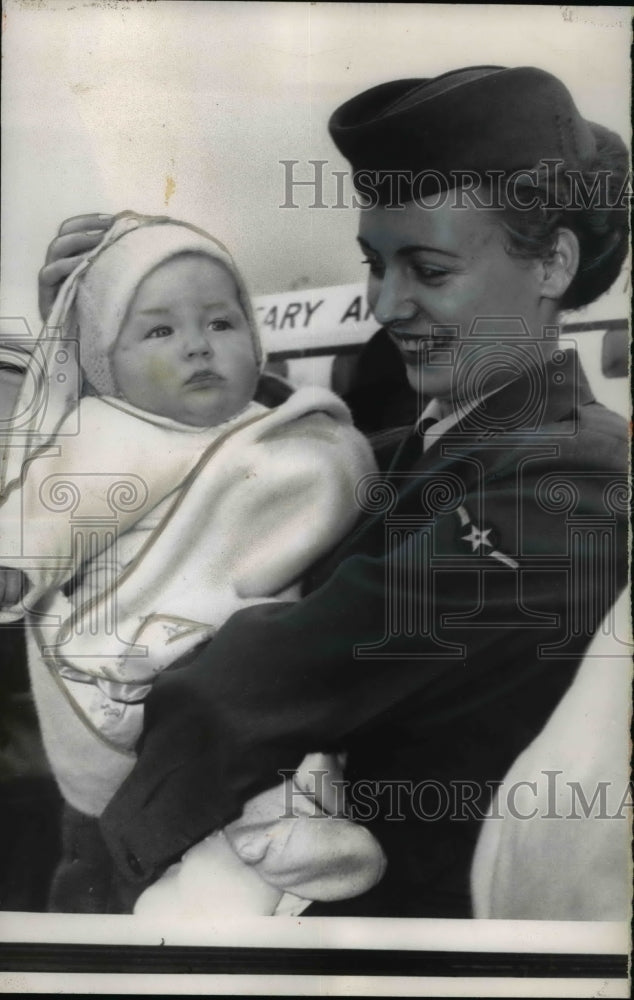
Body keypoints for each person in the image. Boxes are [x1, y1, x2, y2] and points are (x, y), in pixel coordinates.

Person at [37, 66, 629, 918]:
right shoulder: (404, 452)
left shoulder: (572, 483)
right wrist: (95, 354)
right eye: (376, 265)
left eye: (428, 269)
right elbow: (226, 452)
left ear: (553, 264)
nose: (387, 304)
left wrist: (92, 889)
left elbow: (242, 688)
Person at [0, 212, 384, 914]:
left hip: (252, 670)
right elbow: (45, 518)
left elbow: (342, 480)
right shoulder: (109, 434)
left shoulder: (282, 425)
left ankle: (295, 832)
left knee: (278, 748)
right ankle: (214, 892)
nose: (197, 348)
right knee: (205, 805)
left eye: (220, 323)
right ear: (106, 363)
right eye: (159, 331)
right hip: (140, 669)